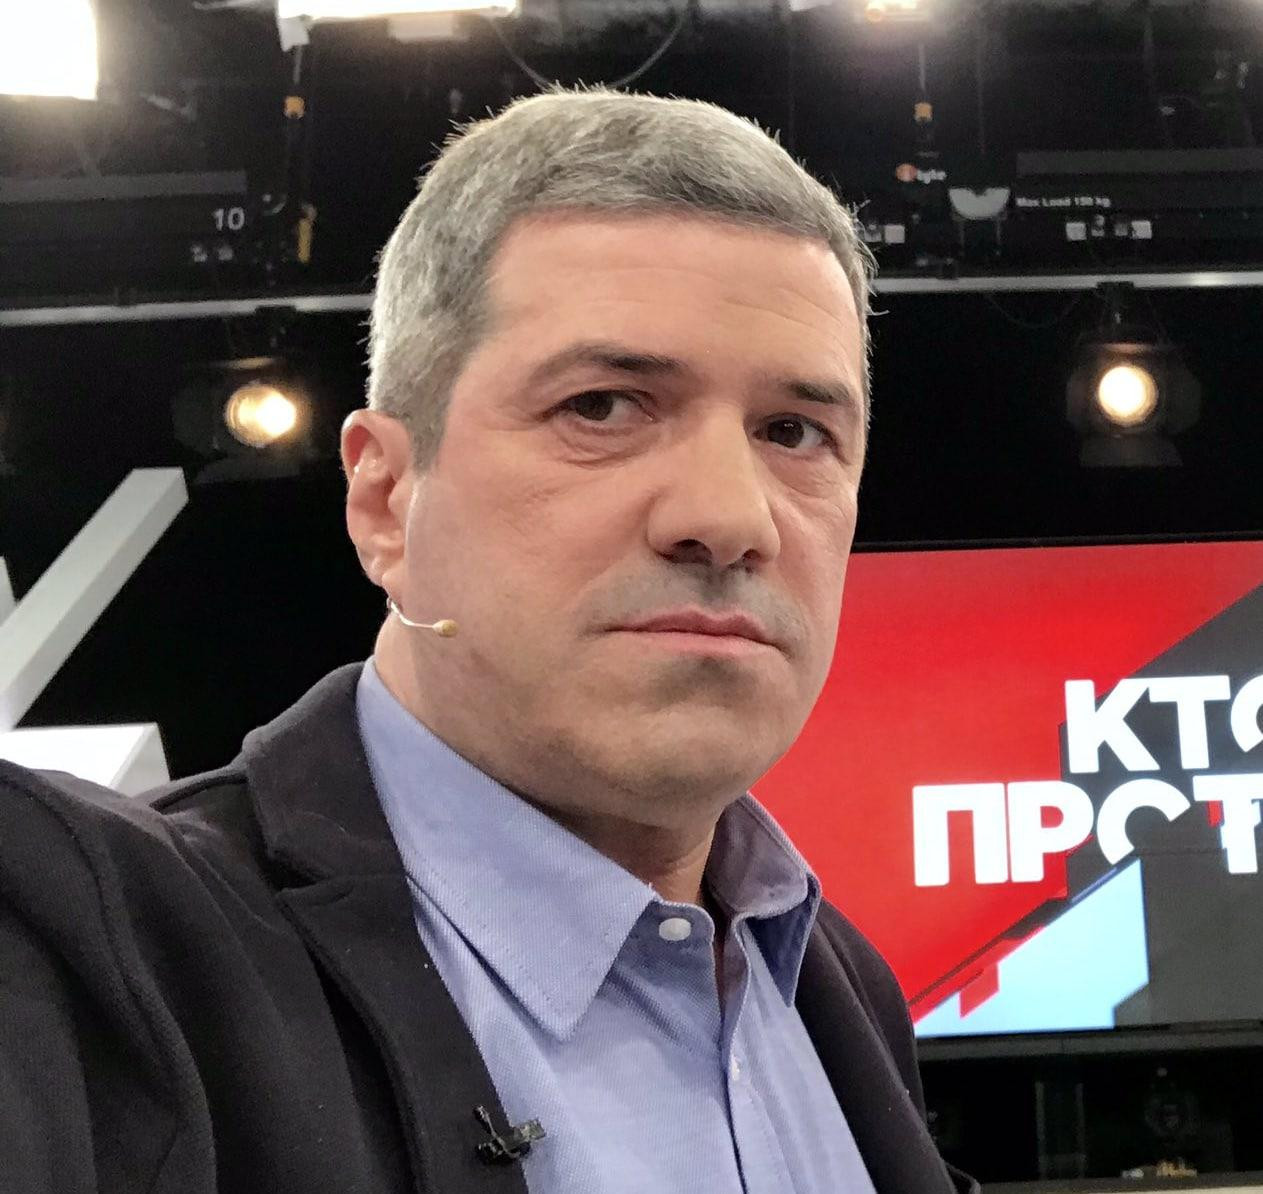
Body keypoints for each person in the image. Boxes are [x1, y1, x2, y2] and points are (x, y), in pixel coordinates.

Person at [0, 86, 975, 1194]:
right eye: (602, 406)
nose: (729, 516)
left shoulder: (840, 986)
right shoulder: (86, 960)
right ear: (385, 500)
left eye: (793, 431)